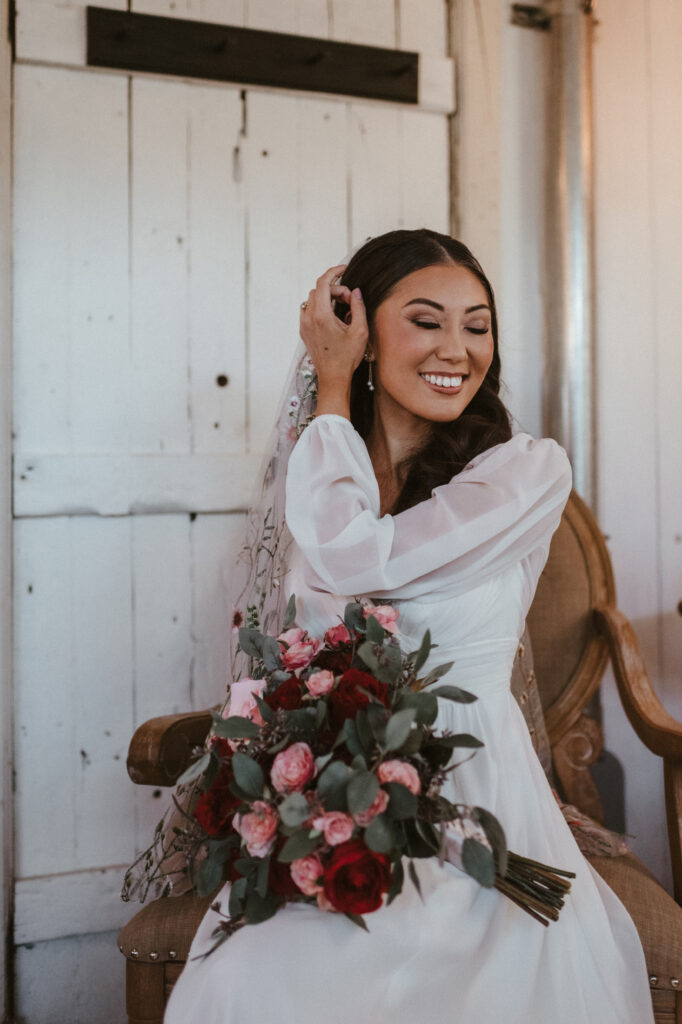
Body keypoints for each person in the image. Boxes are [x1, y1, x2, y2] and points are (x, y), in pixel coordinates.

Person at [164, 229, 654, 1023]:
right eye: (426, 320)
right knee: (249, 979)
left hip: (483, 803)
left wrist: (330, 388)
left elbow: (355, 558)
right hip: (342, 801)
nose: (457, 349)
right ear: (362, 332)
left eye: (477, 324)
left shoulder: (527, 471)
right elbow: (305, 633)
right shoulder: (330, 472)